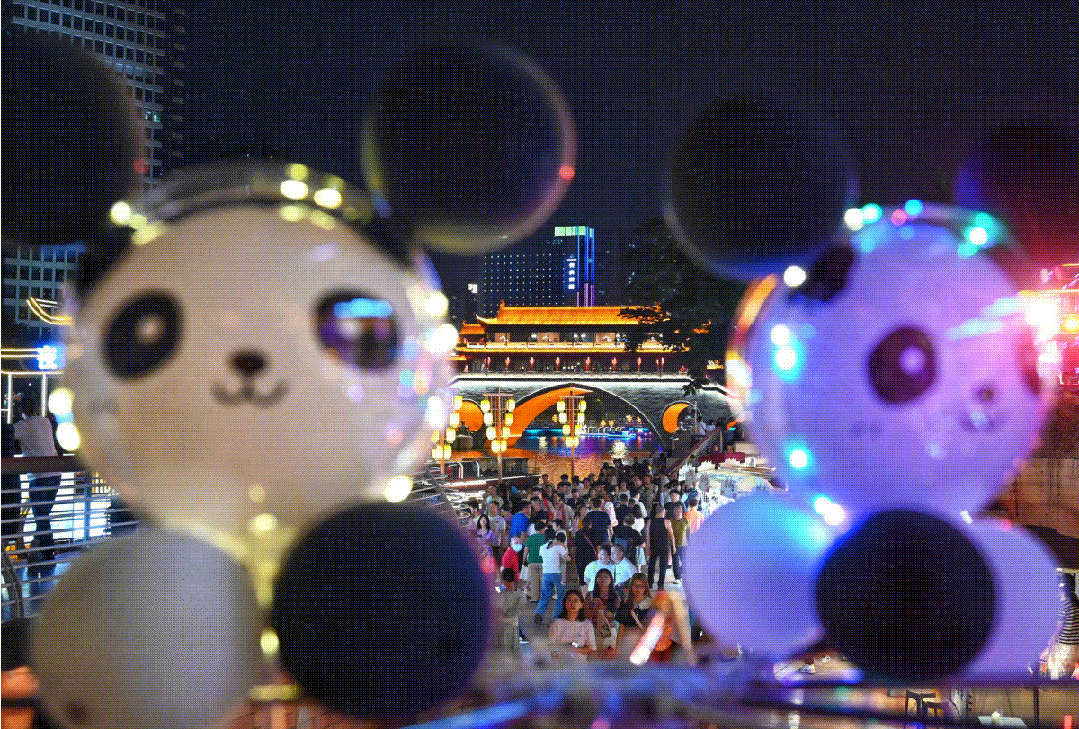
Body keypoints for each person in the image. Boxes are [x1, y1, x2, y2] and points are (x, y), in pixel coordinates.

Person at [12, 399, 59, 570]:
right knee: (43, 515)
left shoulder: (20, 426)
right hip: (56, 474)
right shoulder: (45, 421)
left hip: (38, 476)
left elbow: (8, 436)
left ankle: (48, 552)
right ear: (37, 408)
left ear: (20, 412)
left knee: (41, 516)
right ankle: (37, 546)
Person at [1041, 572, 1079, 679]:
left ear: (1060, 588)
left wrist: (1049, 644)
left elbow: (1058, 629)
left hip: (1065, 650)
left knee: (1043, 657)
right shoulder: (1076, 603)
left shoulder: (1063, 604)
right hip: (1076, 649)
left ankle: (1042, 682)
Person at [547, 589, 596, 664]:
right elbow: (551, 647)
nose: (572, 603)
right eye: (569, 600)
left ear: (581, 605)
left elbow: (592, 648)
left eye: (575, 600)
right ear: (565, 604)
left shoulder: (587, 624)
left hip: (579, 665)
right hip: (561, 664)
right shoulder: (557, 623)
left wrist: (576, 649)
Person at [534, 530, 569, 624]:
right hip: (557, 574)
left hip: (546, 574)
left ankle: (539, 613)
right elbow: (567, 558)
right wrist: (563, 546)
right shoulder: (559, 547)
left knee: (545, 596)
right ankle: (557, 617)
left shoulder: (542, 547)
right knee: (560, 596)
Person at [585, 568, 621, 658]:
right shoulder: (590, 595)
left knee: (608, 659)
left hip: (609, 632)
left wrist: (602, 611)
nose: (603, 578)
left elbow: (616, 616)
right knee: (593, 659)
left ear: (611, 580)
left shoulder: (615, 596)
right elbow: (586, 615)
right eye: (600, 576)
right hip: (593, 631)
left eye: (606, 577)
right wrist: (595, 609)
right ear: (596, 579)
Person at [494, 567, 525, 655]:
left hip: (507, 629)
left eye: (502, 581)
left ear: (505, 581)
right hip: (511, 628)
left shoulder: (503, 593)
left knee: (506, 653)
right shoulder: (520, 594)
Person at [645, 500, 675, 590]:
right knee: (663, 566)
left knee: (651, 565)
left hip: (653, 545)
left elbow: (647, 536)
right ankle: (660, 585)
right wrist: (673, 546)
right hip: (664, 546)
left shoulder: (650, 521)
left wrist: (648, 547)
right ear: (662, 512)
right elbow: (671, 535)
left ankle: (650, 583)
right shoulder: (667, 522)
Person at [522, 516, 548, 601]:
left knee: (534, 581)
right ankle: (543, 598)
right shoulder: (546, 538)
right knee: (543, 581)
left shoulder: (531, 538)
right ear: (542, 529)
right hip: (543, 562)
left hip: (532, 561)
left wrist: (524, 560)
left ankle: (534, 597)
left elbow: (526, 550)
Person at [668, 502, 690, 582]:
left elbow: (688, 532)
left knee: (685, 561)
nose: (679, 512)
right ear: (674, 512)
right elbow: (668, 534)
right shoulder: (670, 521)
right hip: (674, 545)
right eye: (677, 511)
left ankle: (681, 573)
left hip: (684, 544)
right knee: (675, 562)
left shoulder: (685, 521)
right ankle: (677, 577)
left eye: (680, 511)